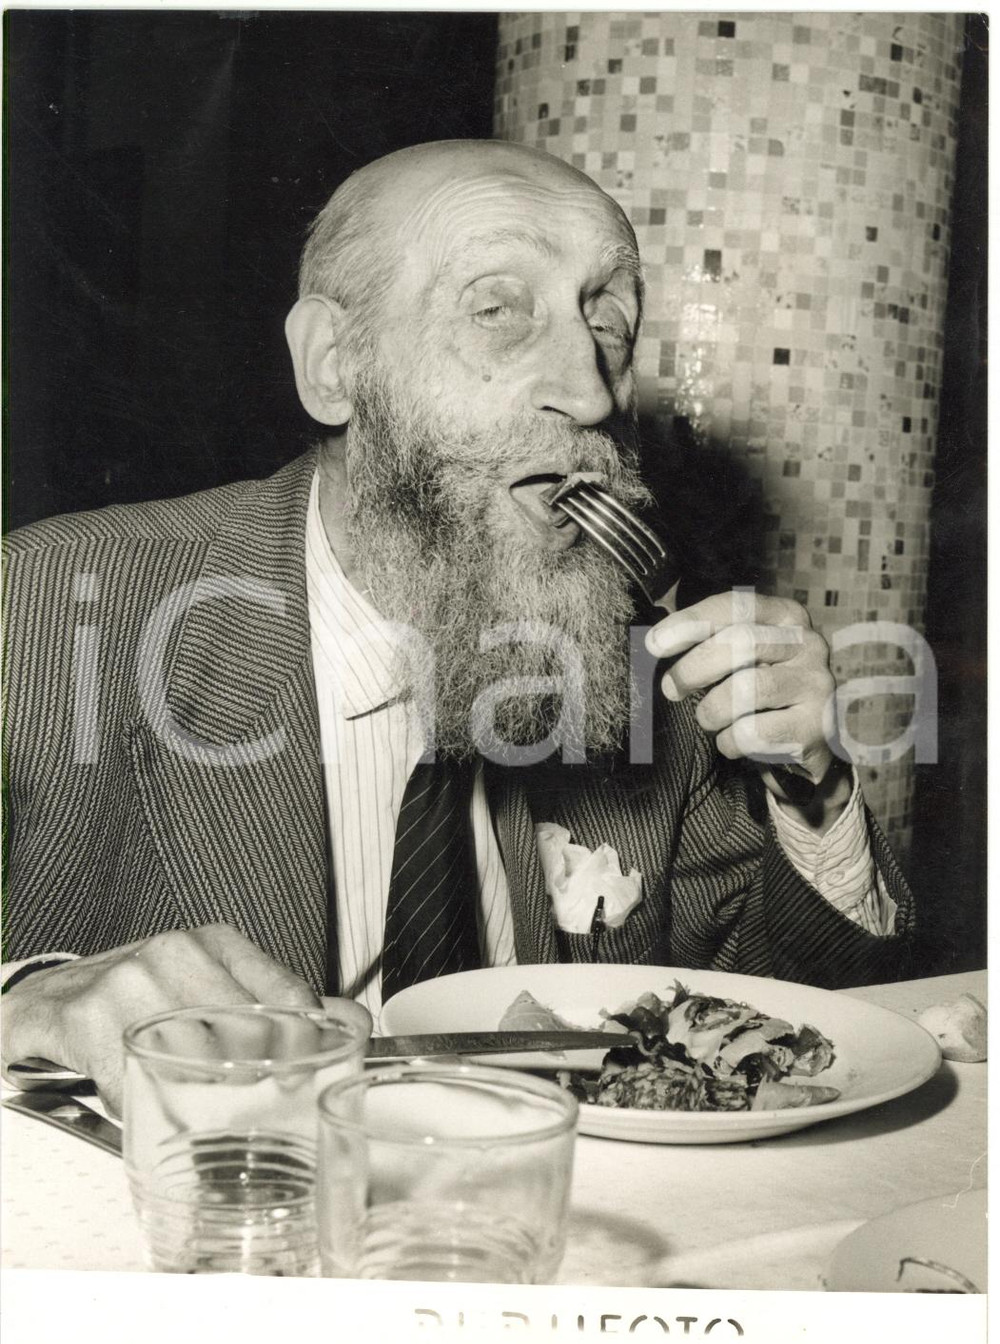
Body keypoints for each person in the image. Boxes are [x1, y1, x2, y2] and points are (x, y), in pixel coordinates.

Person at [2, 140, 914, 1112]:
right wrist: (25, 1000)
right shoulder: (42, 609)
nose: (592, 389)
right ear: (333, 364)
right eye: (498, 309)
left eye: (607, 318)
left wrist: (810, 795)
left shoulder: (655, 664)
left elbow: (788, 1039)